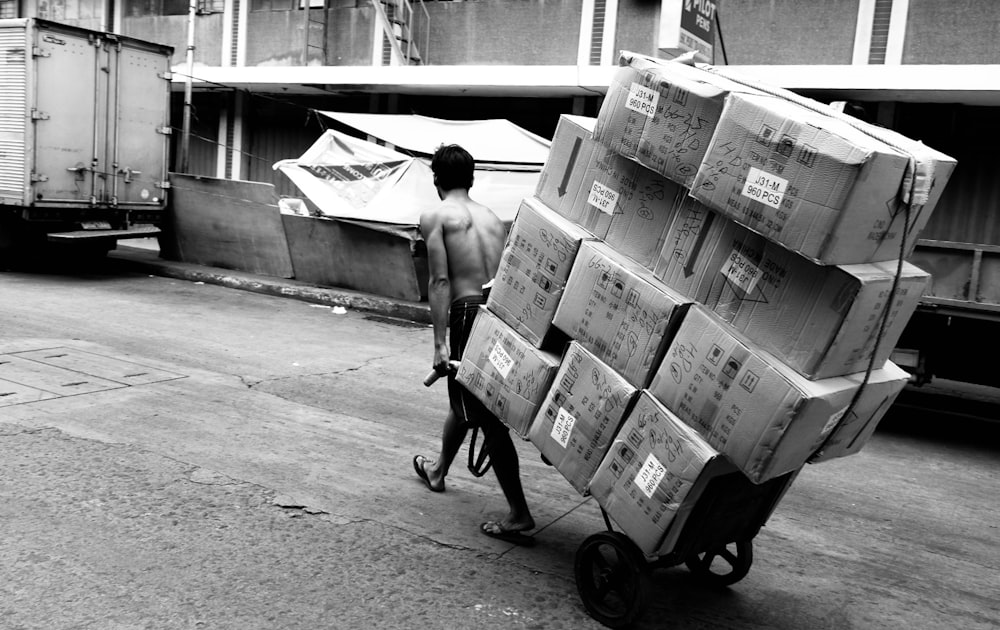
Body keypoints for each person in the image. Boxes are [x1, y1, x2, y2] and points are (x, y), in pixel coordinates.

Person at [412, 144, 536, 546]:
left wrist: (439, 341)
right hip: (500, 313)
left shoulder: (435, 216)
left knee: (486, 417)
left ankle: (519, 513)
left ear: (436, 180)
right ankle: (438, 470)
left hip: (467, 312)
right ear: (472, 178)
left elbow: (440, 281)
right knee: (465, 403)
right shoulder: (494, 220)